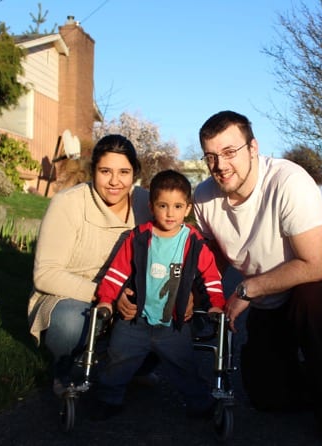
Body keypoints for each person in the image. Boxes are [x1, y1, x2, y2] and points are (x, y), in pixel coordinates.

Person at [193, 110, 322, 443]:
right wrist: (194, 295)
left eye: (230, 152)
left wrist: (246, 290)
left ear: (253, 148)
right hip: (268, 296)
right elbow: (214, 257)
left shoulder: (289, 181)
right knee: (266, 396)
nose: (220, 165)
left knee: (309, 302)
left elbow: (314, 264)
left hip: (317, 278)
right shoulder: (204, 196)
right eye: (211, 156)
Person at [27, 134, 156, 395]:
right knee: (72, 323)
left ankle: (130, 366)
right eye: (105, 171)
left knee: (169, 318)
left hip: (129, 296)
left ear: (135, 174)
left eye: (124, 172)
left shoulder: (147, 203)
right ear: (93, 170)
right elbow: (46, 274)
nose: (115, 181)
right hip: (72, 296)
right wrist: (106, 294)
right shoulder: (68, 203)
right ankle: (66, 371)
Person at [92, 169, 225, 420]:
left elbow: (211, 277)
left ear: (187, 209)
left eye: (177, 206)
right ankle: (108, 399)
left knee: (184, 366)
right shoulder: (139, 237)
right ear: (152, 207)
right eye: (163, 205)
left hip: (174, 323)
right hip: (136, 319)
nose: (170, 213)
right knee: (118, 358)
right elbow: (117, 273)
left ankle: (200, 403)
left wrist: (216, 305)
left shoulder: (193, 242)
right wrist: (107, 300)